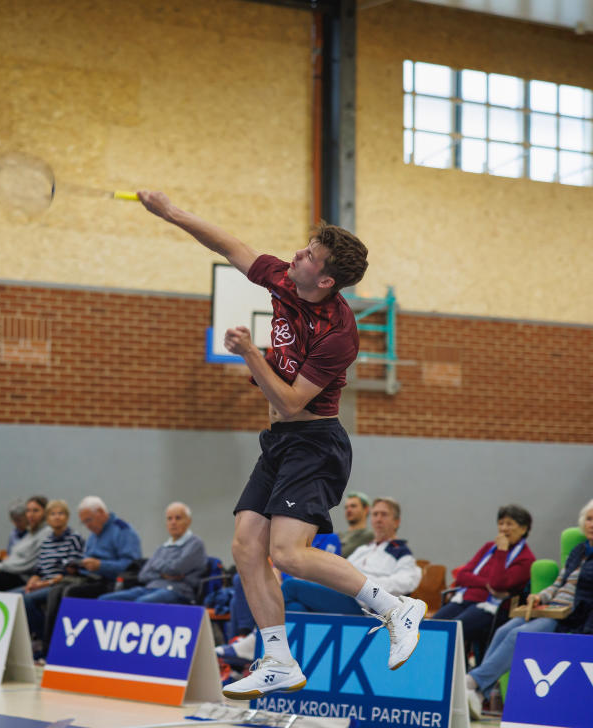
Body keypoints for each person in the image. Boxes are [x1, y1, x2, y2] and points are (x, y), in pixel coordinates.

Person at [138, 191, 424, 700]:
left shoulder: (339, 333)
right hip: (279, 442)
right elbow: (231, 246)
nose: (297, 254)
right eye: (305, 247)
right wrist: (171, 212)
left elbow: (292, 403)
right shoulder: (285, 280)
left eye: (310, 255)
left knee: (288, 554)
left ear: (326, 280)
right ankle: (278, 660)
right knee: (246, 546)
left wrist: (250, 353)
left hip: (316, 443)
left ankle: (394, 606)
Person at [465, 498, 593, 720]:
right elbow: (559, 583)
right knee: (503, 630)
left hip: (572, 614)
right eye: (589, 519)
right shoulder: (579, 550)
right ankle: (478, 692)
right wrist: (539, 596)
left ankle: (472, 682)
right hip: (551, 607)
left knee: (518, 635)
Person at [217, 498, 420, 664]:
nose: (378, 519)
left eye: (384, 514)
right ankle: (286, 662)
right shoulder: (362, 550)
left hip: (362, 606)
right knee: (296, 609)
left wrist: (365, 583)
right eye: (375, 514)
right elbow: (343, 573)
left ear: (396, 521)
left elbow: (407, 582)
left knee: (291, 586)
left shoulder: (402, 553)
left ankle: (257, 641)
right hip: (340, 595)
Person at [32, 496, 141, 652]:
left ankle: (68, 647)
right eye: (84, 522)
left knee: (71, 592)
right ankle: (48, 648)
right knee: (55, 591)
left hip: (111, 582)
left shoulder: (123, 531)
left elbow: (131, 566)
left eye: (89, 520)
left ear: (101, 512)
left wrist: (101, 565)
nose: (88, 526)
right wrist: (78, 567)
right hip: (90, 578)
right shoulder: (93, 536)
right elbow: (86, 561)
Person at [432, 504, 535, 650]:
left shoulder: (526, 559)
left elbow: (498, 584)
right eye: (501, 523)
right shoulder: (489, 547)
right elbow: (462, 576)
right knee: (430, 627)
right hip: (465, 599)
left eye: (509, 524)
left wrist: (502, 551)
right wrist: (486, 583)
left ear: (523, 529)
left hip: (493, 607)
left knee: (452, 631)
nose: (503, 528)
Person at [100, 502, 207, 604]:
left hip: (178, 591)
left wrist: (157, 565)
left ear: (188, 521)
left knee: (142, 603)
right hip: (151, 588)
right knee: (105, 600)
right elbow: (143, 575)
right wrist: (164, 574)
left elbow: (175, 568)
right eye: (169, 518)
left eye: (178, 518)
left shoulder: (195, 544)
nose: (173, 522)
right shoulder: (162, 548)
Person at [17, 499, 85, 657]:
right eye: (53, 514)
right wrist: (33, 580)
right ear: (47, 519)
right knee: (13, 596)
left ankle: (43, 638)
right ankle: (21, 643)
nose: (57, 517)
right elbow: (39, 569)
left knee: (27, 600)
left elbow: (71, 570)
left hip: (60, 583)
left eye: (61, 513)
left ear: (67, 517)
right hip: (42, 582)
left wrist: (43, 584)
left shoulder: (74, 538)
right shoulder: (47, 541)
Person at [340, 492, 373, 558]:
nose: (348, 510)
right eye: (346, 507)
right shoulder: (339, 536)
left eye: (353, 506)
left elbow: (343, 554)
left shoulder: (370, 536)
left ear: (366, 509)